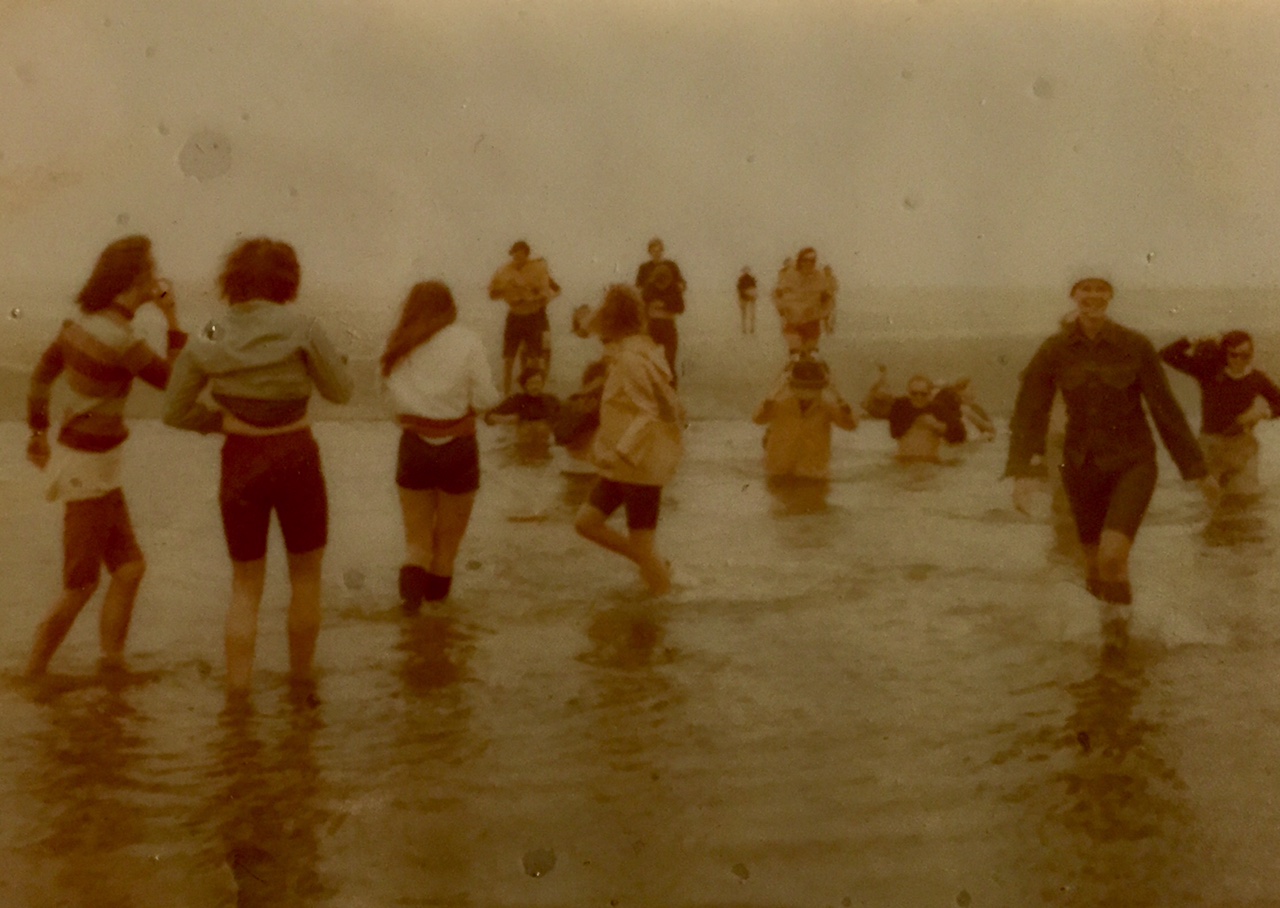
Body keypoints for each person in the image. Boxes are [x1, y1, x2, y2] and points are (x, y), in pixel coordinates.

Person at [163, 238, 353, 694]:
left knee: (245, 586)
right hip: (296, 455)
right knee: (306, 577)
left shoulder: (212, 330)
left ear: (233, 279)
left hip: (242, 460)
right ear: (288, 280)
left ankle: (238, 695)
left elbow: (173, 409)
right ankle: (302, 681)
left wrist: (224, 421)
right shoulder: (302, 325)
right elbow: (341, 392)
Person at [24, 235, 187, 677]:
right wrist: (172, 317)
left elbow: (41, 377)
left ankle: (111, 666)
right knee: (80, 584)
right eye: (151, 270)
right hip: (89, 470)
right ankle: (31, 673)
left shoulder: (77, 325)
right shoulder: (122, 340)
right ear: (138, 278)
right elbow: (175, 383)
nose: (156, 277)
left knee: (130, 569)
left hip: (91, 463)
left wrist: (38, 432)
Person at [1006, 277, 1218, 606]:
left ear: (1109, 297)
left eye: (1100, 290)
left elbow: (1166, 410)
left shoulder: (1135, 345)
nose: (1092, 296)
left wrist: (1197, 471)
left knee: (1113, 558)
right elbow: (1030, 411)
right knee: (1092, 566)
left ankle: (1120, 638)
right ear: (1073, 296)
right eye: (1085, 290)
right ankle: (1106, 633)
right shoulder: (1054, 349)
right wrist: (1024, 472)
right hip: (1080, 467)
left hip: (1132, 462)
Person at [381, 281, 500, 614]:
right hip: (458, 447)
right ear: (450, 308)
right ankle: (435, 621)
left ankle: (410, 613)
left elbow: (391, 404)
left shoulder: (400, 342)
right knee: (446, 548)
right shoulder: (467, 341)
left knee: (416, 544)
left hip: (414, 446)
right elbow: (485, 398)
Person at [574, 285, 684, 595]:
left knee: (643, 543)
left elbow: (649, 412)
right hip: (627, 462)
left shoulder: (632, 359)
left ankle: (662, 604)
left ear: (613, 323)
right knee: (585, 523)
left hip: (638, 462)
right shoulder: (640, 349)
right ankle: (655, 567)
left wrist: (619, 452)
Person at [1159, 330, 1280, 497]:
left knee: (1245, 501)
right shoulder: (1208, 372)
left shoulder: (1256, 378)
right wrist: (1192, 339)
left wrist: (1262, 413)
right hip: (1211, 447)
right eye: (1233, 355)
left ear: (1251, 355)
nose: (1239, 360)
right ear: (1225, 354)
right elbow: (1167, 355)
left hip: (1243, 446)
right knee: (1214, 503)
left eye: (1245, 355)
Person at [752, 356, 858, 480]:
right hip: (777, 472)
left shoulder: (827, 408)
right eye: (802, 387)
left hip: (814, 473)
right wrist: (772, 396)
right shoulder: (779, 405)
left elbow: (851, 425)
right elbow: (758, 419)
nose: (807, 392)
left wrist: (839, 397)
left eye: (812, 388)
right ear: (792, 386)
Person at [487, 240, 560, 394]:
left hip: (535, 317)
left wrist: (532, 296)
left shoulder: (538, 269)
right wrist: (507, 291)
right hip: (514, 316)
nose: (517, 259)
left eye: (521, 256)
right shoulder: (504, 270)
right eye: (515, 256)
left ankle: (533, 392)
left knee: (535, 358)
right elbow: (492, 293)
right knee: (508, 359)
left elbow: (552, 292)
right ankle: (506, 394)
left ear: (527, 255)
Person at [485, 364, 561, 463]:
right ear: (524, 385)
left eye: (538, 382)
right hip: (521, 450)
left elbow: (563, 418)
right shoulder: (517, 400)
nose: (535, 386)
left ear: (543, 383)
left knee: (541, 428)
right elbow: (488, 416)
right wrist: (506, 419)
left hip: (544, 451)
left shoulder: (550, 400)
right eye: (531, 383)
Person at [634, 237, 686, 380]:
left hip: (668, 319)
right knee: (651, 360)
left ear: (662, 250)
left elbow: (681, 286)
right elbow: (638, 290)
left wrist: (665, 302)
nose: (656, 253)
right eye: (653, 250)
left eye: (659, 250)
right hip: (650, 320)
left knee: (669, 361)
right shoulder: (644, 268)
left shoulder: (671, 266)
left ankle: (670, 391)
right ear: (649, 251)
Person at [772, 247, 838, 356]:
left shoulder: (819, 277)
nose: (809, 263)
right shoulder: (790, 276)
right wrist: (782, 309)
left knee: (812, 357)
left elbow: (828, 298)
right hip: (792, 323)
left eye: (812, 260)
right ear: (800, 260)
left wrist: (823, 312)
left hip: (812, 323)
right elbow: (777, 294)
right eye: (805, 260)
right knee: (795, 355)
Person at [889, 375, 967, 462]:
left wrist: (937, 425)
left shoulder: (937, 409)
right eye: (914, 393)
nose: (919, 397)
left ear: (930, 394)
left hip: (929, 461)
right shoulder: (900, 407)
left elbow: (960, 435)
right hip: (903, 460)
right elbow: (894, 432)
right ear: (908, 393)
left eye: (923, 394)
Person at [736, 266, 757, 335]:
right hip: (744, 298)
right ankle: (744, 328)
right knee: (744, 314)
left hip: (749, 298)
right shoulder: (741, 279)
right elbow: (739, 289)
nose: (746, 272)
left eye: (747, 270)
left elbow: (754, 288)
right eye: (745, 270)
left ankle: (752, 328)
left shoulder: (751, 278)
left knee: (751, 314)